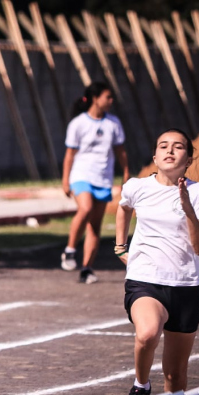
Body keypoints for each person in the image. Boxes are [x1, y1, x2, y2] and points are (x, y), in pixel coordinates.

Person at [116, 128, 199, 395]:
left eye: (178, 147)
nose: (170, 150)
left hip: (185, 286)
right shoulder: (137, 186)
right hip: (145, 279)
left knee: (175, 377)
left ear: (189, 159)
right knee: (147, 334)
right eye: (163, 146)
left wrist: (187, 208)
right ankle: (141, 385)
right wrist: (120, 246)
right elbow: (123, 209)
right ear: (155, 157)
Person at [60, 82, 129, 283]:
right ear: (95, 98)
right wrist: (65, 180)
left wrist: (126, 173)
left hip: (103, 178)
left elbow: (120, 152)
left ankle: (87, 269)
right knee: (86, 208)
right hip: (81, 175)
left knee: (95, 227)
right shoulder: (78, 123)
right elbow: (69, 155)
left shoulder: (113, 123)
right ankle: (70, 250)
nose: (111, 101)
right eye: (107, 97)